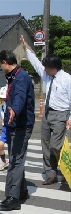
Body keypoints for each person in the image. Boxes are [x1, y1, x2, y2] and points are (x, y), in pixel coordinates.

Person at [20, 35, 71, 185]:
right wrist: (25, 48)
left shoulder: (67, 79)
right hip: (47, 114)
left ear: (54, 68)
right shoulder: (48, 75)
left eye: (47, 67)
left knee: (56, 145)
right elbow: (35, 63)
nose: (44, 69)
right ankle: (51, 173)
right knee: (46, 144)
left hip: (61, 114)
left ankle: (64, 168)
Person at [0, 50, 35, 210]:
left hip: (21, 124)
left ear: (5, 62)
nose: (0, 67)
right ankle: (22, 191)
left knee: (15, 161)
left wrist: (14, 110)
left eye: (0, 63)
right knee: (16, 159)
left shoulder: (21, 77)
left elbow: (19, 97)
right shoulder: (14, 76)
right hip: (13, 124)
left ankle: (13, 198)